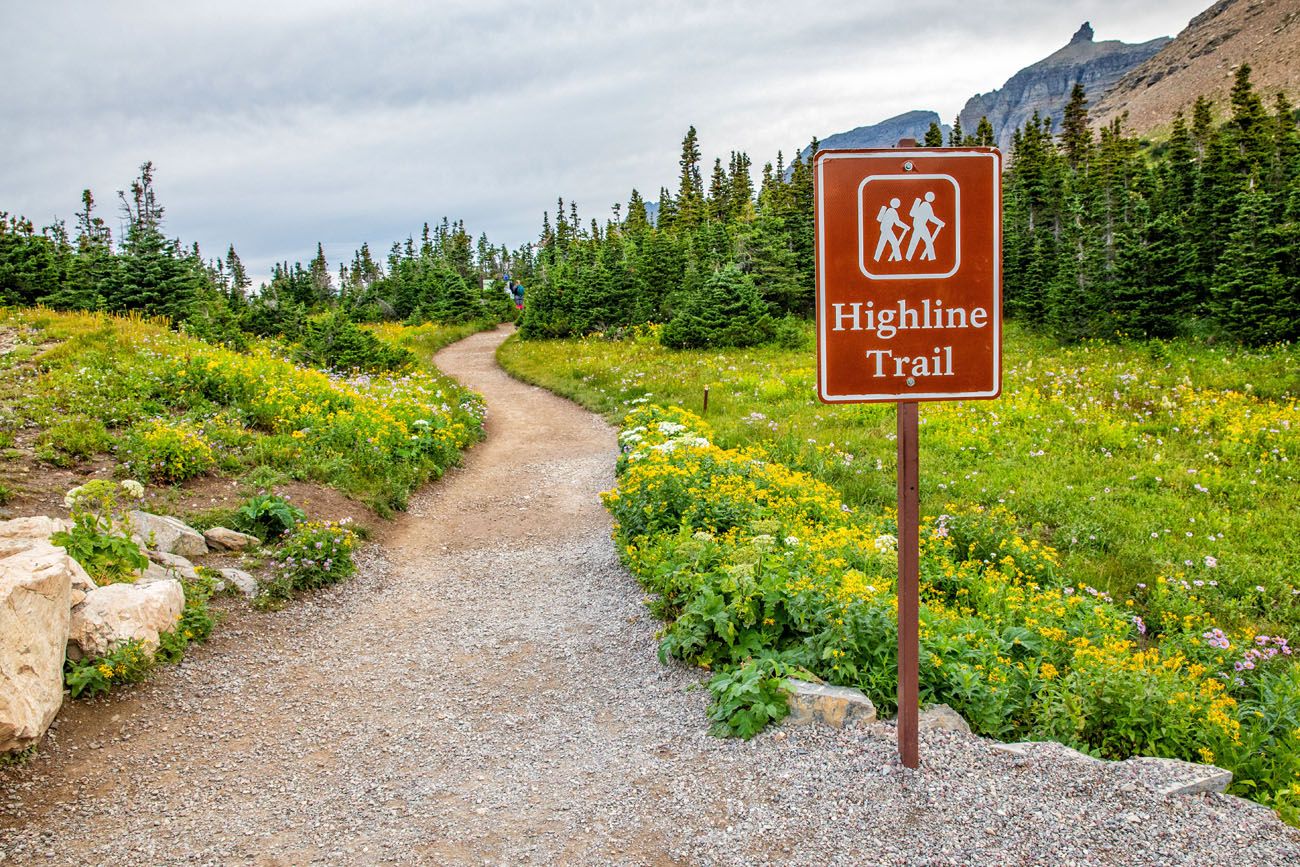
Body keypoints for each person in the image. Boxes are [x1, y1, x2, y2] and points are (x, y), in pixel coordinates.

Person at [905, 191, 945, 262]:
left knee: (914, 240)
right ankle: (931, 258)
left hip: (917, 224)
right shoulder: (927, 205)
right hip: (921, 225)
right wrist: (941, 223)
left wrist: (940, 222)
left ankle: (908, 257)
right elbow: (931, 218)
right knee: (928, 241)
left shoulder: (923, 204)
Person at [873, 197, 908, 262]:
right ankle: (898, 259)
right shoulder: (893, 211)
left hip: (884, 228)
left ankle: (876, 258)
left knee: (881, 244)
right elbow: (897, 222)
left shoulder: (889, 210)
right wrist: (906, 226)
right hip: (887, 229)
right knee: (895, 243)